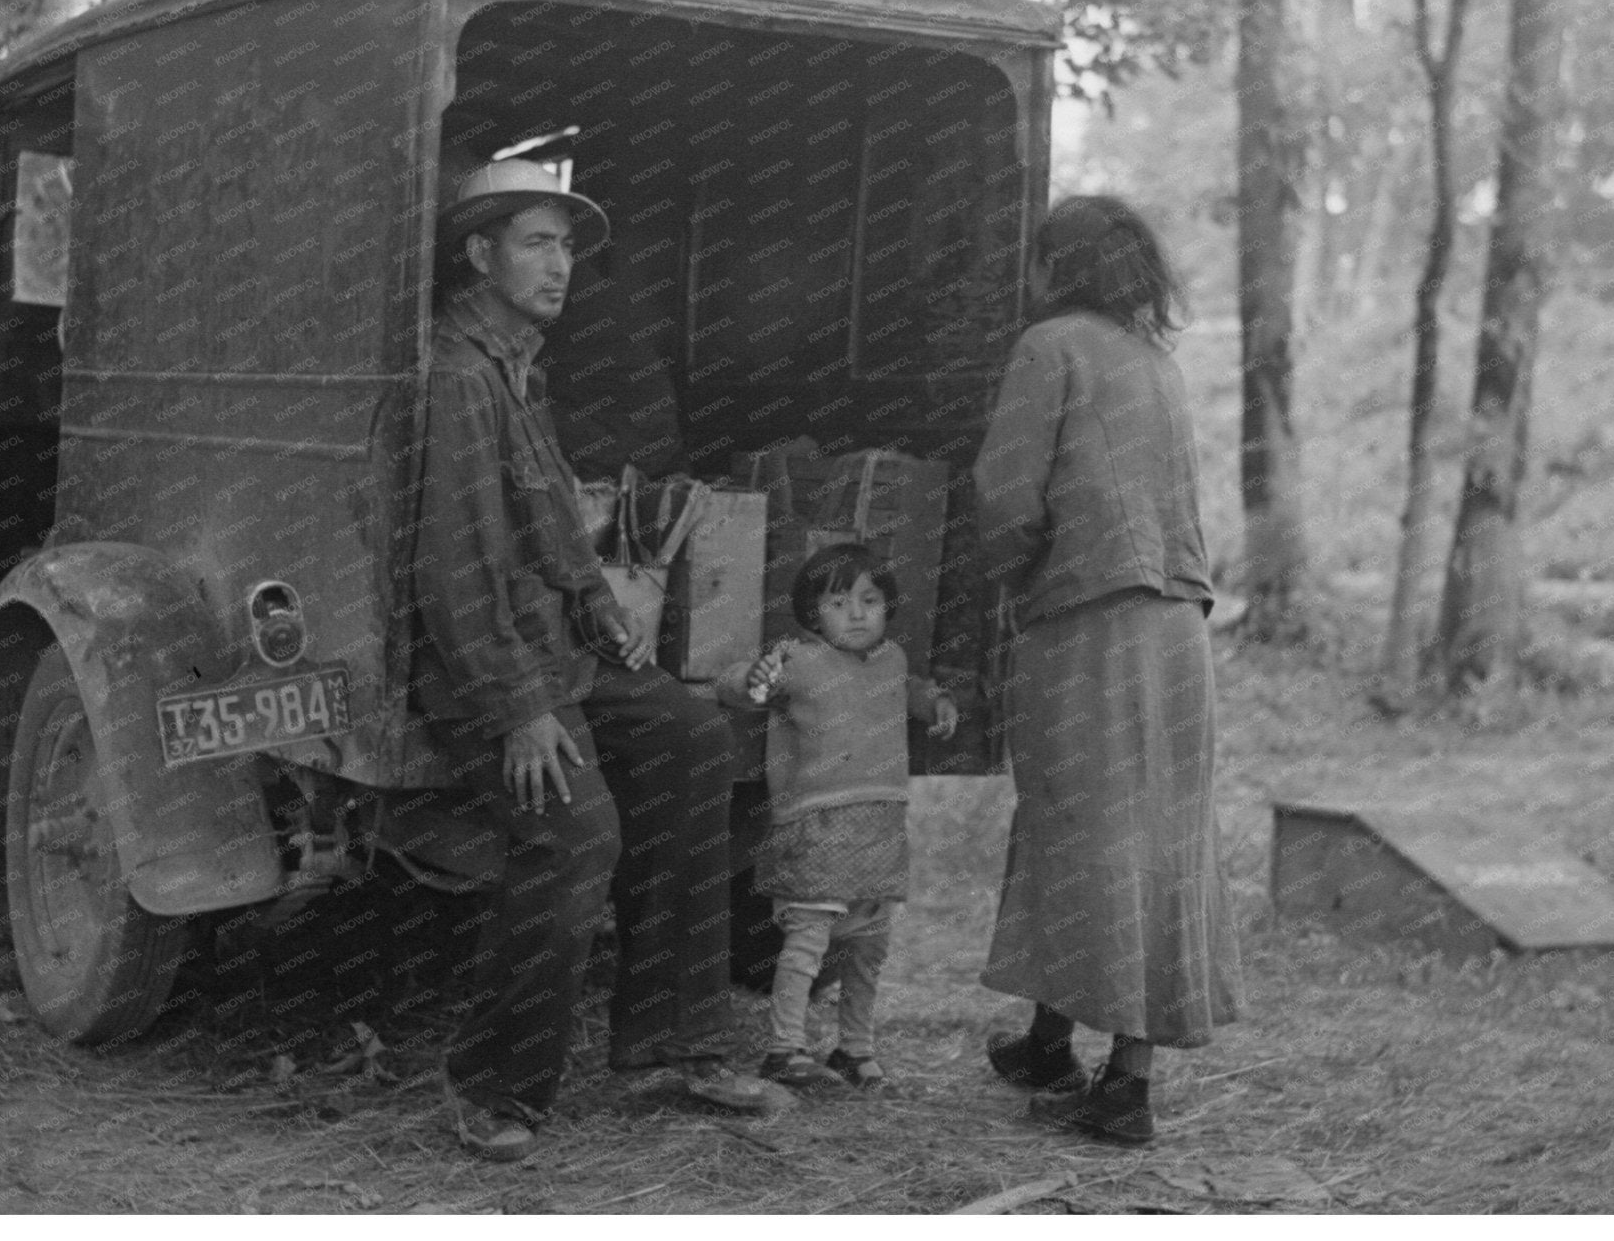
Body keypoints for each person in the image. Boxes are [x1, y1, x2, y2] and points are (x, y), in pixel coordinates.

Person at [410, 158, 767, 1161]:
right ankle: (491, 1086)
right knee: (573, 836)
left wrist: (605, 615)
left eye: (565, 245)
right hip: (492, 673)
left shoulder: (519, 366)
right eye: (535, 241)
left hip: (562, 652)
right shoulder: (459, 376)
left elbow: (549, 518)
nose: (559, 263)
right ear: (479, 253)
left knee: (695, 739)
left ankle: (669, 1041)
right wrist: (519, 707)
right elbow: (455, 566)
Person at [971, 195, 1243, 1146]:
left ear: (1057, 266)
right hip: (1178, 633)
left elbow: (1006, 499)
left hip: (1090, 625)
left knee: (1073, 824)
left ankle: (1119, 1093)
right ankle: (1082, 1054)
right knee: (1151, 839)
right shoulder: (1156, 364)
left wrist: (1007, 586)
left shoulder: (1050, 348)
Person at [713, 543, 958, 1090]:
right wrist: (751, 676)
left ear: (888, 608)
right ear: (810, 614)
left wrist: (936, 703)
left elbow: (911, 690)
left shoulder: (892, 660)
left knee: (870, 949)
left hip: (880, 830)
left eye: (870, 600)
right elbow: (739, 687)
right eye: (839, 601)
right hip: (816, 829)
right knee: (806, 945)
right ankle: (785, 1048)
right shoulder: (797, 661)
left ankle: (855, 1048)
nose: (856, 613)